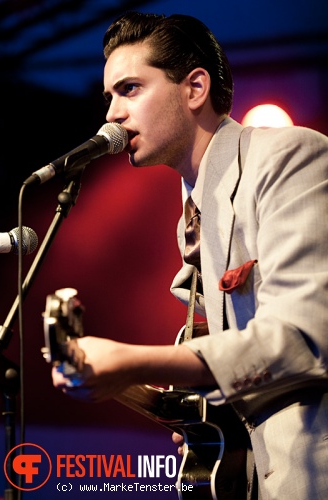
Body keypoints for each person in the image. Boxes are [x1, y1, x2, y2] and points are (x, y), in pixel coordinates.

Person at [52, 11, 328, 499]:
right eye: (109, 97)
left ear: (194, 88)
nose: (111, 113)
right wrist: (183, 409)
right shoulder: (193, 216)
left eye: (129, 89)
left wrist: (133, 361)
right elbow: (230, 380)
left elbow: (304, 337)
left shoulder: (289, 156)